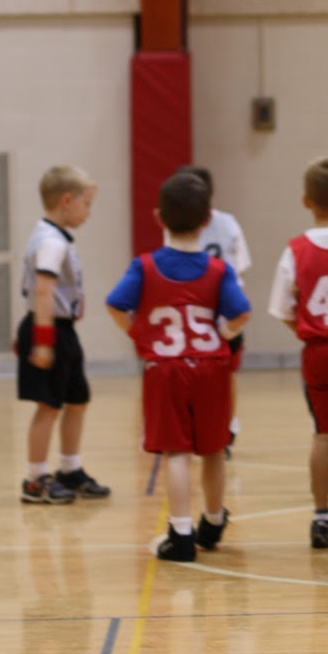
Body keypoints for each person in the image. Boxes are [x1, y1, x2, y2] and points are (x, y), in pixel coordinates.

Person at [106, 170, 251, 562]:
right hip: (211, 368)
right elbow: (241, 313)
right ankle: (214, 519)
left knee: (175, 453)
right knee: (215, 450)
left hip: (166, 368)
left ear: (158, 217)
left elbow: (115, 303)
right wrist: (223, 330)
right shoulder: (220, 270)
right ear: (208, 220)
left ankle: (182, 533)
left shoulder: (145, 266)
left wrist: (138, 333)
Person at [268, 157, 328, 549]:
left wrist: (311, 329)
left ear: (306, 201)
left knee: (324, 436)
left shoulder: (296, 250)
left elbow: (283, 310)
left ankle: (322, 514)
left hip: (318, 351)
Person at [16, 165, 111, 504]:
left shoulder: (53, 237)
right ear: (66, 200)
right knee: (49, 406)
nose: (88, 213)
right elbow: (42, 291)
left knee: (77, 400)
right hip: (50, 330)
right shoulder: (50, 242)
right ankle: (36, 478)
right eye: (86, 204)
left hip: (62, 329)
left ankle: (69, 469)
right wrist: (42, 339)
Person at [175, 166, 251, 451]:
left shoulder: (178, 225)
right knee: (225, 375)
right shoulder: (229, 223)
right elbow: (241, 266)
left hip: (195, 313)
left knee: (199, 373)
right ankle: (226, 428)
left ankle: (209, 426)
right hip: (224, 312)